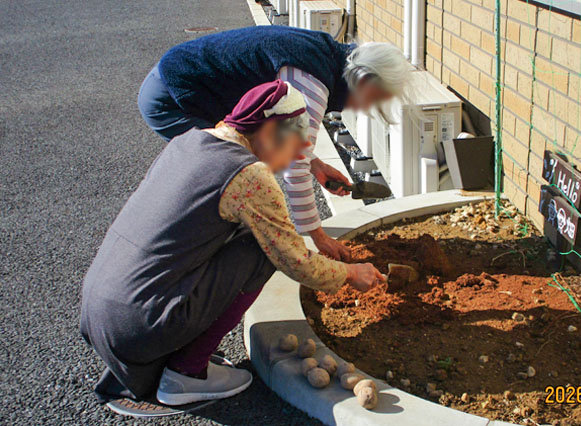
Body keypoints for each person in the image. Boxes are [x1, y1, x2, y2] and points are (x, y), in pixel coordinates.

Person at [81, 80, 386, 406]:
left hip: (101, 312)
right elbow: (295, 260)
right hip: (140, 325)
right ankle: (187, 373)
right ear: (271, 133)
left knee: (247, 235)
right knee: (261, 251)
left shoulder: (189, 141)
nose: (292, 159)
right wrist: (351, 273)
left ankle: (174, 353)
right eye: (292, 147)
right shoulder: (249, 175)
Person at [137, 25, 411, 262]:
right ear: (365, 81)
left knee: (240, 170)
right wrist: (317, 236)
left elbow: (289, 143)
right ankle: (182, 258)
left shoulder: (327, 55)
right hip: (172, 97)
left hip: (174, 76)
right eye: (376, 99)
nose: (368, 107)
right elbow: (294, 167)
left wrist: (315, 164)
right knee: (228, 172)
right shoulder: (312, 86)